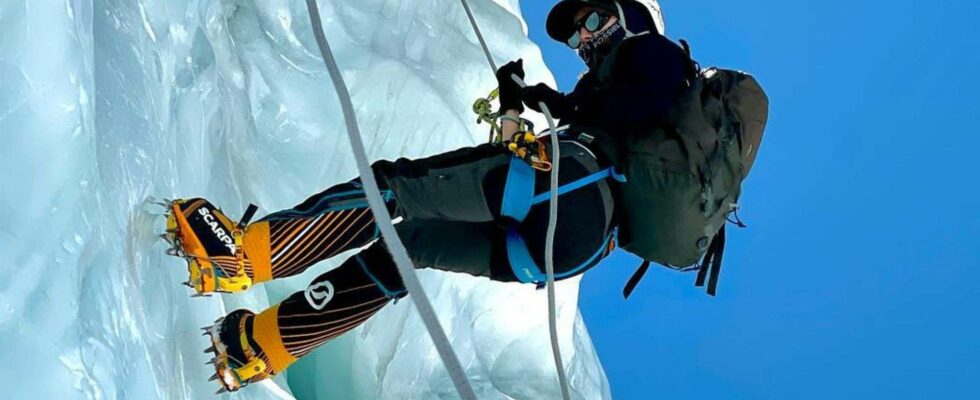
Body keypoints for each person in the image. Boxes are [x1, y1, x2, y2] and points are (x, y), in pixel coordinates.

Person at [164, 0, 765, 392]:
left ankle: (243, 254)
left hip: (572, 188)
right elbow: (541, 138)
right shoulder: (613, 94)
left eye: (592, 20)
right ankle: (260, 345)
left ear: (629, 16)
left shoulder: (651, 56)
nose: (583, 37)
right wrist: (517, 100)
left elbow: (625, 104)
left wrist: (556, 106)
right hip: (565, 243)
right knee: (409, 246)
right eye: (578, 30)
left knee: (398, 188)